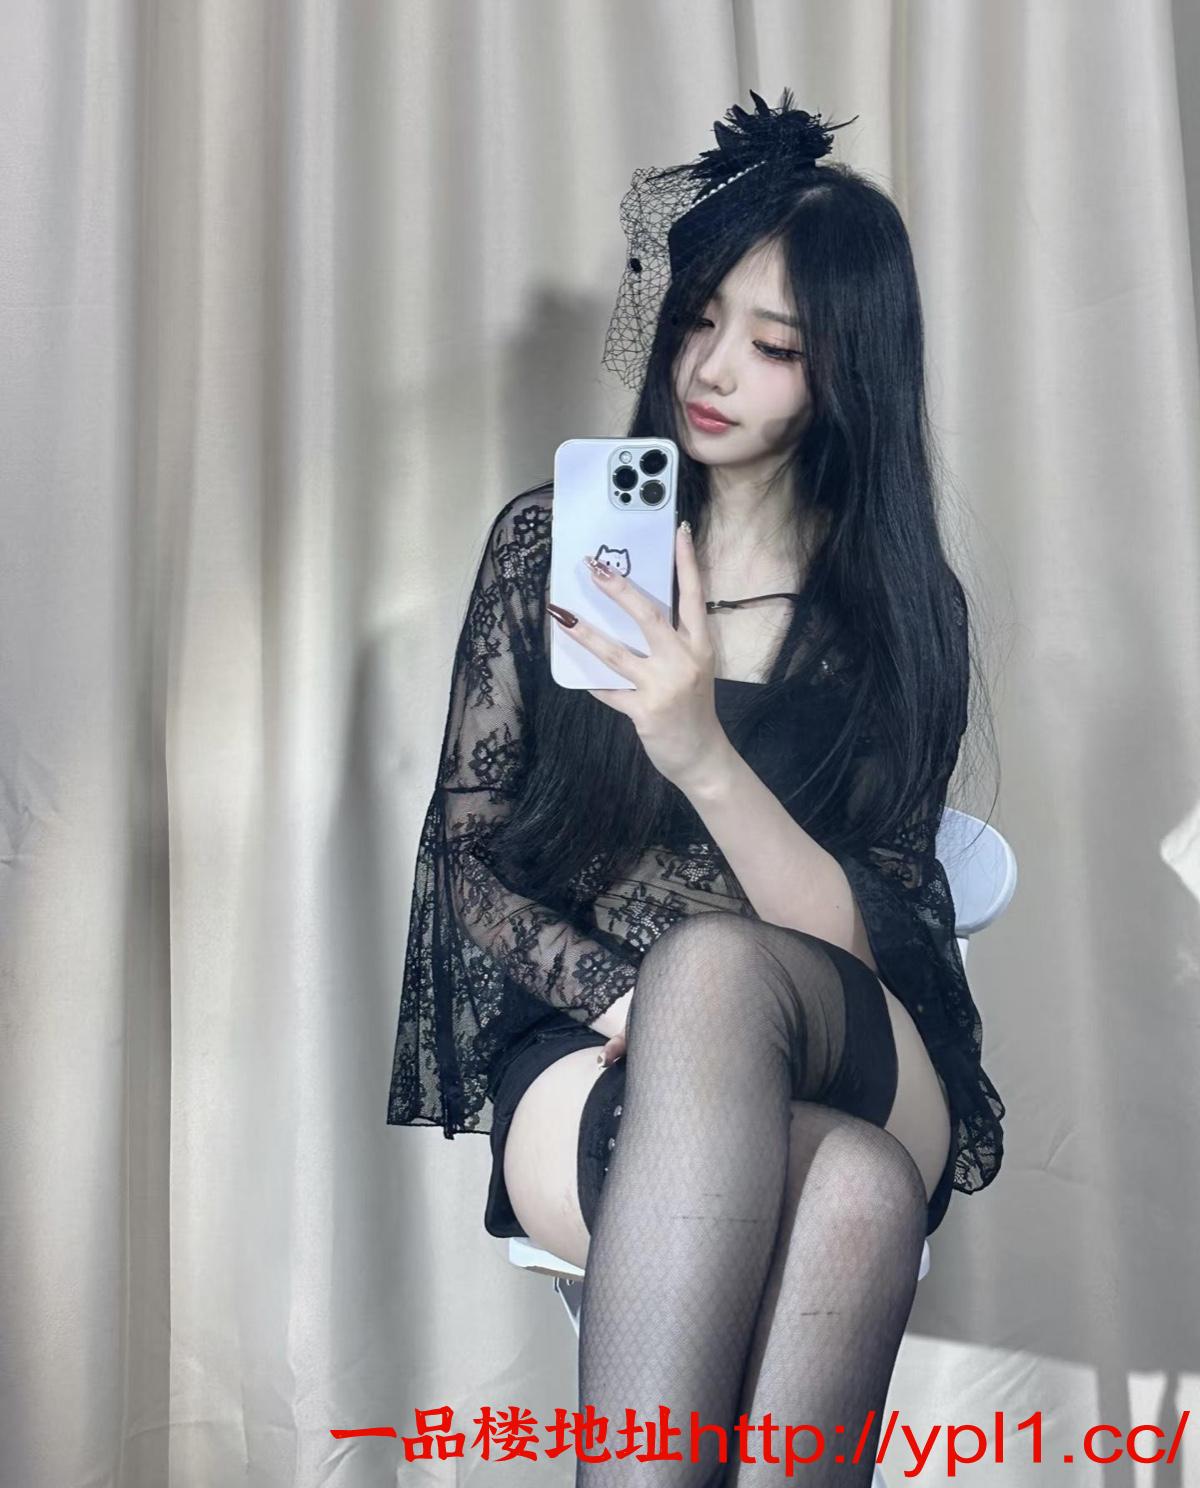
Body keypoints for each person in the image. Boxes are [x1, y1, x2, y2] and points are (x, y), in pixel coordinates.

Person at [387, 88, 1005, 1485]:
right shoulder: (553, 544)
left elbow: (859, 937)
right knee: (848, 1191)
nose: (713, 367)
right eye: (699, 319)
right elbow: (467, 859)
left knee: (721, 969)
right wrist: (630, 1003)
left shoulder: (900, 608)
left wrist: (699, 753)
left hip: (848, 1030)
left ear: (848, 373)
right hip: (592, 1043)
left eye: (773, 345)